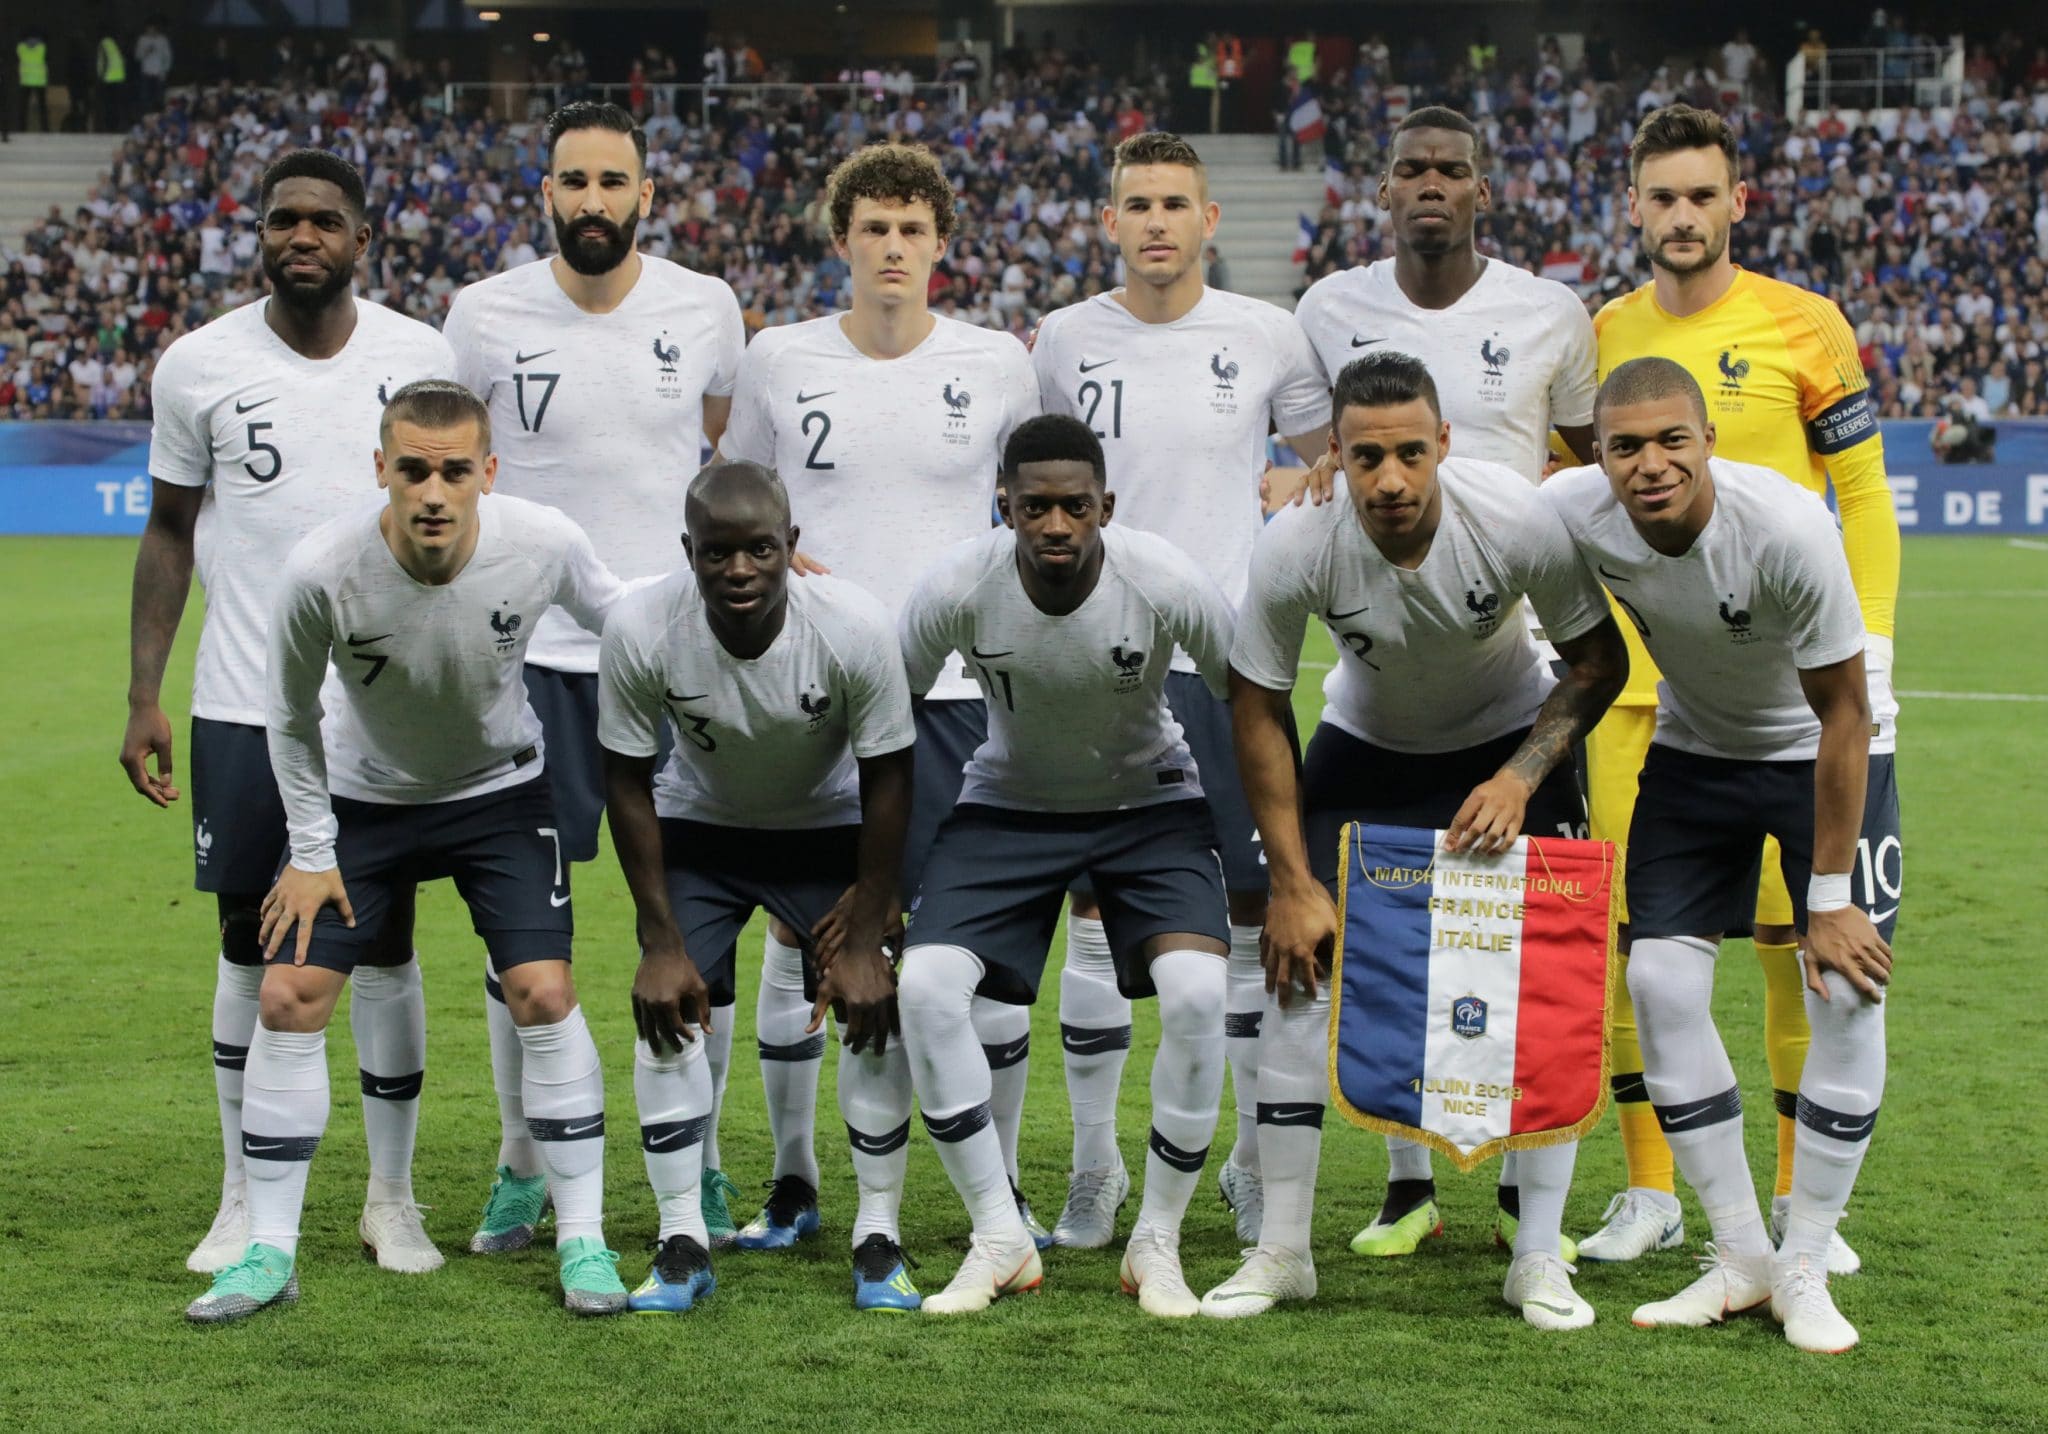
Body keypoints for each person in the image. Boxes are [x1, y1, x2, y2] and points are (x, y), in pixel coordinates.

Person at [183, 380, 628, 1323]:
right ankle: (268, 1253)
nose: (433, 492)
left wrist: (738, 595)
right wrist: (311, 849)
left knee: (543, 990)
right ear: (380, 469)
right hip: (361, 802)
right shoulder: (320, 570)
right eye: (414, 470)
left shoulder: (542, 540)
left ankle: (584, 1241)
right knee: (288, 993)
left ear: (487, 474)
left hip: (501, 793)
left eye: (455, 471)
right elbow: (290, 718)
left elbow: (623, 618)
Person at [1203, 351, 1626, 1328]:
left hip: (1504, 747)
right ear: (1334, 458)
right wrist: (1292, 881)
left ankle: (1534, 1260)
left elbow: (1596, 660)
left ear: (1441, 444)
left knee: (1545, 988)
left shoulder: (1512, 516)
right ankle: (1282, 1253)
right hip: (1366, 751)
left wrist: (1521, 776)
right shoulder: (1296, 541)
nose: (1387, 480)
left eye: (1406, 454)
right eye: (1363, 458)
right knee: (1295, 975)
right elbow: (1257, 706)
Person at [123, 150, 456, 1280]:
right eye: (281, 220)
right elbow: (170, 531)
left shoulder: (421, 355)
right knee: (242, 948)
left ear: (363, 239)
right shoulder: (197, 364)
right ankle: (237, 1196)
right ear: (257, 236)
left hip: (385, 712)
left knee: (389, 946)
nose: (300, 235)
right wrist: (142, 695)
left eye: (324, 220)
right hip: (243, 704)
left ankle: (392, 1199)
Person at [1581, 105, 1899, 1272]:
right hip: (1645, 696)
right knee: (1637, 947)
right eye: (1658, 196)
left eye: (1698, 196)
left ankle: (1790, 1195)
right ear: (1632, 206)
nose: (1679, 216)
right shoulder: (1602, 332)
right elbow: (1576, 493)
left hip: (1794, 687)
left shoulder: (1803, 325)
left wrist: (1870, 645)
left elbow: (1860, 494)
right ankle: (1649, 1187)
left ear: (1734, 204)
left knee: (1794, 938)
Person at [718, 141, 1043, 1251]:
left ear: (939, 244)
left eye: (912, 229)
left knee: (966, 934)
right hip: (808, 683)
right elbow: (732, 495)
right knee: (792, 935)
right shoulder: (779, 358)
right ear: (842, 240)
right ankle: (795, 1182)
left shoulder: (998, 361)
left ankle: (994, 1185)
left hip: (957, 693)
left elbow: (1034, 509)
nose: (892, 247)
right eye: (873, 229)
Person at [1291, 103, 1600, 1259]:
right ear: (1381, 188)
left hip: (1504, 663)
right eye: (1410, 168)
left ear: (1482, 189)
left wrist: (1523, 546)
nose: (1430, 184)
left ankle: (1530, 1201)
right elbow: (1304, 442)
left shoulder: (1548, 313)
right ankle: (1405, 1182)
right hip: (1373, 681)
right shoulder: (1327, 307)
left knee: (1526, 951)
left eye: (1451, 169)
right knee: (1374, 944)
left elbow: (1576, 462)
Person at [443, 100, 748, 1255]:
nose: (591, 202)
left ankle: (705, 1161)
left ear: (644, 197)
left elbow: (723, 450)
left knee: (700, 922)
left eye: (611, 183)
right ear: (545, 195)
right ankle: (522, 1164)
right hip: (527, 660)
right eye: (571, 182)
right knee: (520, 934)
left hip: (674, 653)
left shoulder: (704, 307)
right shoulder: (480, 316)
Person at [1543, 358, 1894, 1354]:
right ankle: (1739, 1256)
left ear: (1705, 442)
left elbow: (1844, 713)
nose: (1648, 464)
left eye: (1669, 441)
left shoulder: (1782, 527)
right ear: (1598, 456)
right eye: (1623, 446)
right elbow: (1476, 502)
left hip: (1821, 753)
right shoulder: (1572, 511)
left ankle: (1805, 1260)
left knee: (1842, 985)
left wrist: (1826, 897)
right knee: (1654, 982)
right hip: (1694, 756)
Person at [1030, 130, 1329, 1249]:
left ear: (1209, 222)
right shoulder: (1063, 338)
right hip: (1097, 662)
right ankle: (1095, 1170)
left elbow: (1323, 451)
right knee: (1097, 915)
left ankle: (1248, 1165)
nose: (1155, 221)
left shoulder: (1264, 333)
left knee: (1256, 921)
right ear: (1108, 222)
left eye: (1175, 204)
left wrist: (1305, 468)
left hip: (1230, 663)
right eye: (1135, 204)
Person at [896, 414, 1238, 1317]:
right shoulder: (957, 585)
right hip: (1006, 804)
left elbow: (1252, 700)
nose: (1056, 525)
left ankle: (1156, 1241)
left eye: (1075, 507)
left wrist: (1264, 868)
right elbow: (887, 721)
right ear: (1004, 505)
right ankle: (997, 1235)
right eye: (1035, 506)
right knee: (926, 987)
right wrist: (875, 891)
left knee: (1202, 997)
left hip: (1150, 806)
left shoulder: (1161, 577)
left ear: (1105, 507)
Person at [597, 460, 919, 1313]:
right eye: (717, 554)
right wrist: (660, 941)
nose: (739, 571)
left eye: (761, 551)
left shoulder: (852, 623)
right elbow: (626, 781)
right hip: (700, 830)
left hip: (826, 827)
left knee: (875, 1005)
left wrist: (868, 928)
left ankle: (877, 1236)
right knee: (663, 1011)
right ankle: (681, 1241)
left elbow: (891, 774)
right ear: (688, 552)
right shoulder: (640, 625)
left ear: (791, 547)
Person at [16, 27, 49, 132]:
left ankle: (21, 129)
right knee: (42, 108)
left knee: (23, 108)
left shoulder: (20, 48)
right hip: (40, 81)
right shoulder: (42, 47)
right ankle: (45, 129)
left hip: (25, 80)